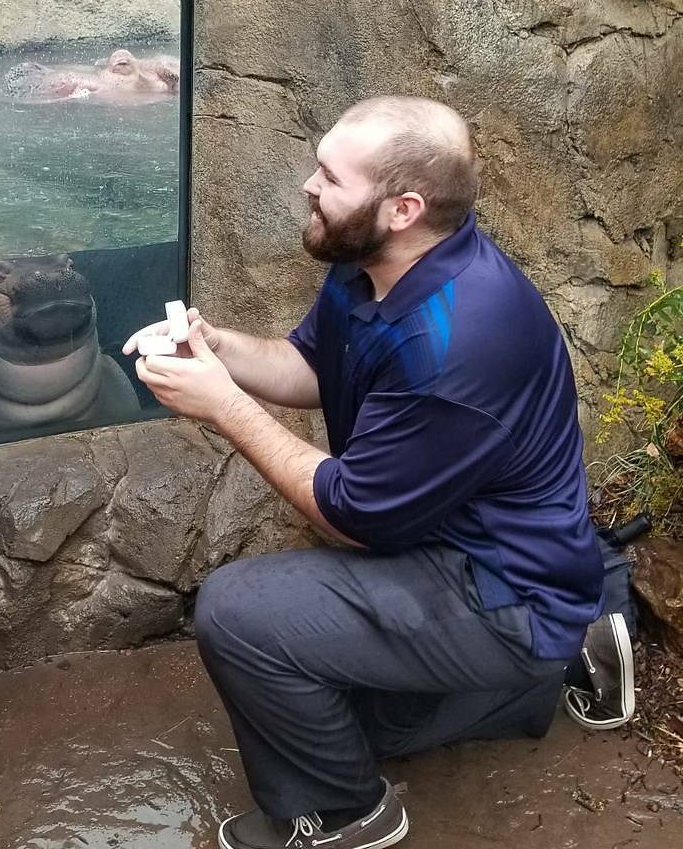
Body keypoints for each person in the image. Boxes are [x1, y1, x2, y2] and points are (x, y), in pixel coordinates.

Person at [125, 96, 633, 849]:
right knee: (342, 712)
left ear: (403, 207)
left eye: (329, 175)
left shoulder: (460, 339)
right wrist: (218, 348)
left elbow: (352, 513)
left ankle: (341, 816)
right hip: (460, 546)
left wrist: (224, 408)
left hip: (501, 587)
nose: (308, 184)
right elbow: (309, 367)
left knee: (240, 613)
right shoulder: (371, 264)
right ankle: (569, 647)